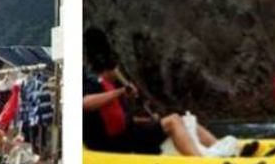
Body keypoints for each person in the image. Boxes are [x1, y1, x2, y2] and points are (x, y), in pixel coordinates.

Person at [83, 27, 216, 157]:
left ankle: (220, 150)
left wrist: (148, 120)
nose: (117, 72)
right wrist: (121, 91)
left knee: (184, 120)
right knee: (173, 121)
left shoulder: (110, 87)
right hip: (111, 144)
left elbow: (123, 119)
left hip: (128, 135)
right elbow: (84, 103)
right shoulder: (92, 84)